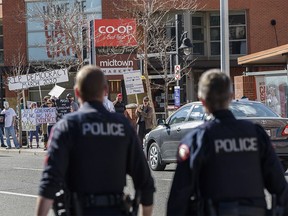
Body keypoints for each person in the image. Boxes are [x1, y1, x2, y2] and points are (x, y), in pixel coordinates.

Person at [36, 65, 155, 216]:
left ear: (77, 92)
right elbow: (145, 182)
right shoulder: (123, 127)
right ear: (105, 91)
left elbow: (49, 183)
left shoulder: (66, 127)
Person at [167, 69, 288, 216]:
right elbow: (280, 187)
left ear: (202, 100)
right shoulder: (256, 134)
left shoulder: (197, 139)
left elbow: (179, 197)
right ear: (231, 97)